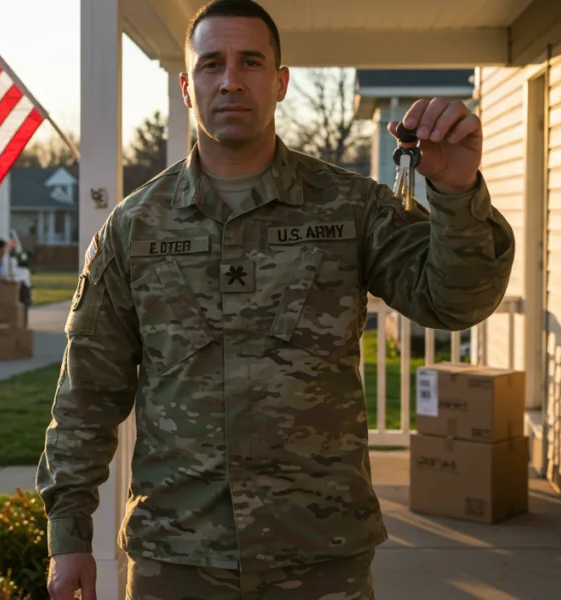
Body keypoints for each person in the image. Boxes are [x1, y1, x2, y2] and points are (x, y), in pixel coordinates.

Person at [37, 1, 515, 598]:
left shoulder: (351, 208)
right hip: (178, 555)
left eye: (251, 62)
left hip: (320, 553)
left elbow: (456, 302)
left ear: (281, 81)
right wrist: (69, 534)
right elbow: (88, 390)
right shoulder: (135, 227)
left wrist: (457, 190)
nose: (230, 80)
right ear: (187, 88)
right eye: (211, 64)